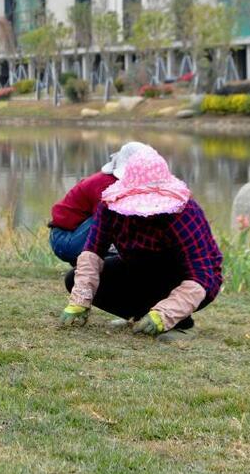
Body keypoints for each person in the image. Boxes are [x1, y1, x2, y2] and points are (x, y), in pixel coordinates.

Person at [58, 147, 222, 342]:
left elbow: (201, 276)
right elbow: (93, 252)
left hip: (187, 277)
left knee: (160, 273)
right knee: (72, 278)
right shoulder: (109, 206)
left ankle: (181, 323)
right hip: (138, 268)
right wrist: (80, 301)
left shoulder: (184, 213)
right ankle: (140, 315)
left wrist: (165, 314)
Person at [48, 141, 153, 266]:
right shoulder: (106, 184)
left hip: (76, 236)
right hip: (65, 241)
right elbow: (106, 225)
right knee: (111, 215)